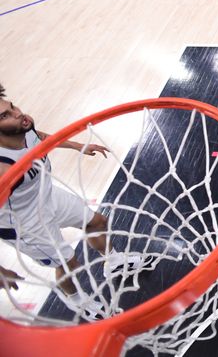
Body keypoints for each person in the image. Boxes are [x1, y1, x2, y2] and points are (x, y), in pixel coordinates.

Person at [0, 83, 147, 318]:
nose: (18, 114)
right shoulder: (2, 166)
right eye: (5, 116)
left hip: (46, 195)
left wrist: (78, 146)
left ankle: (114, 261)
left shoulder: (24, 128)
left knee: (97, 222)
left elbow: (42, 138)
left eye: (13, 107)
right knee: (68, 262)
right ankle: (77, 301)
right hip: (23, 223)